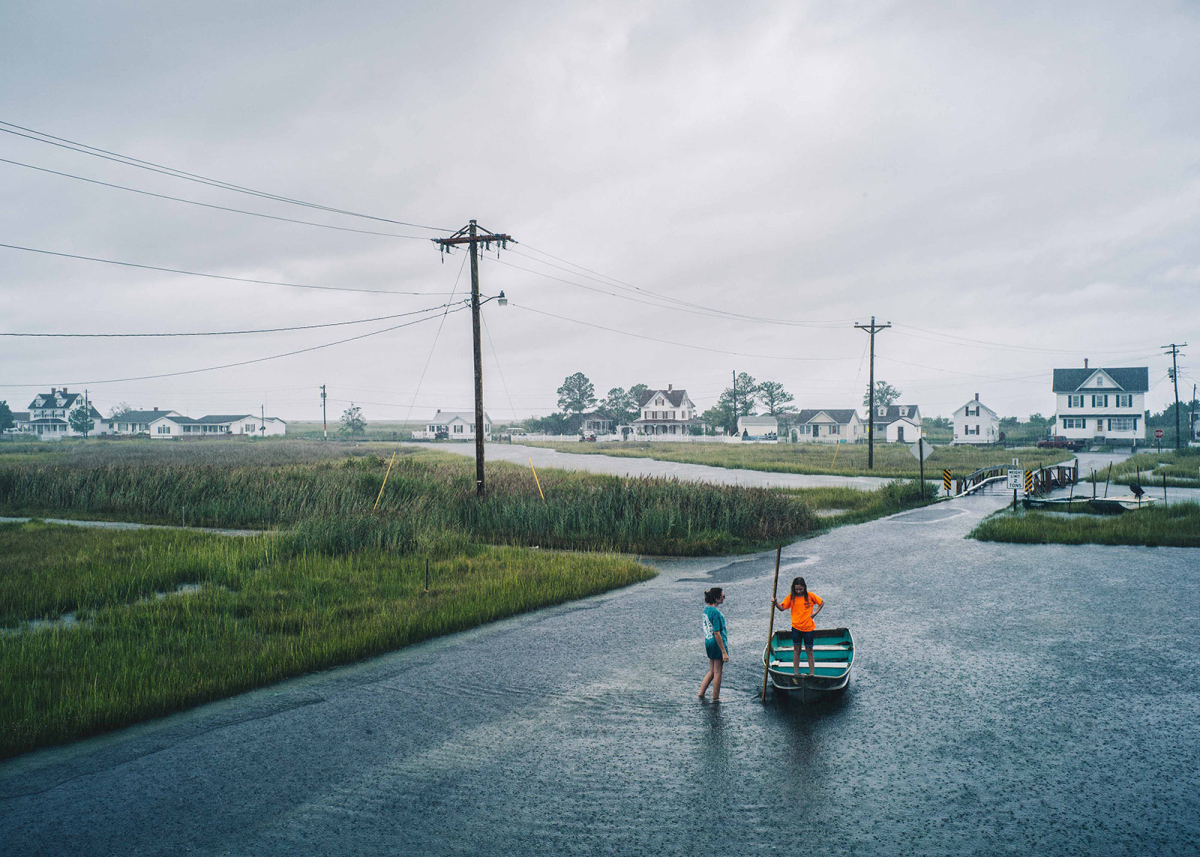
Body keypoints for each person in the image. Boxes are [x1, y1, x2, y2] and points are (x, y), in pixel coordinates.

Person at [772, 577, 823, 676]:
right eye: (796, 589)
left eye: (800, 589)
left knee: (809, 651)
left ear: (804, 587)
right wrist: (775, 603)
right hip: (796, 628)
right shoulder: (791, 597)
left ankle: (812, 673)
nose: (799, 591)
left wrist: (815, 613)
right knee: (796, 650)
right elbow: (782, 608)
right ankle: (796, 673)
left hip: (808, 628)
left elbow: (821, 603)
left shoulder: (810, 596)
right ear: (793, 589)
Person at [698, 587, 729, 702]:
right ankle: (716, 698)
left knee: (711, 670)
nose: (724, 598)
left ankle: (701, 693)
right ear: (717, 599)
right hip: (716, 644)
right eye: (722, 597)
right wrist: (724, 652)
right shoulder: (715, 613)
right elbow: (717, 632)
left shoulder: (706, 609)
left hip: (708, 642)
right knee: (717, 671)